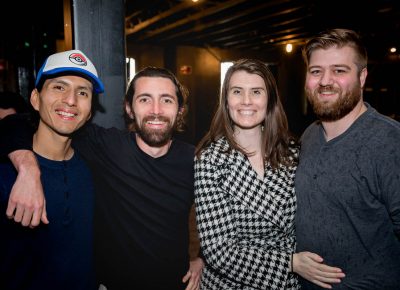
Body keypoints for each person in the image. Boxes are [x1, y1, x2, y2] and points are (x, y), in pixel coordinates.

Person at [1, 67, 203, 289]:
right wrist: (28, 167)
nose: (156, 110)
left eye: (166, 100)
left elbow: (226, 216)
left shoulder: (195, 160)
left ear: (180, 109)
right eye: (145, 99)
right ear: (129, 108)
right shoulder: (104, 146)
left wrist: (202, 258)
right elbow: (15, 123)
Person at [194, 58, 341, 290]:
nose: (246, 101)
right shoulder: (210, 161)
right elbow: (218, 250)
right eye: (237, 92)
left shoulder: (292, 151)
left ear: (269, 99)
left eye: (256, 92)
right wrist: (290, 263)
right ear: (226, 100)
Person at [295, 28, 400, 289]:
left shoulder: (390, 143)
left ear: (362, 77)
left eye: (339, 71)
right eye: (316, 71)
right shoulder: (309, 136)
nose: (325, 81)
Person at [0, 49, 104, 289]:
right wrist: (27, 168)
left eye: (83, 92)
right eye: (59, 87)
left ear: (90, 112)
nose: (71, 100)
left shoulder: (95, 166)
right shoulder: (7, 173)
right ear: (35, 99)